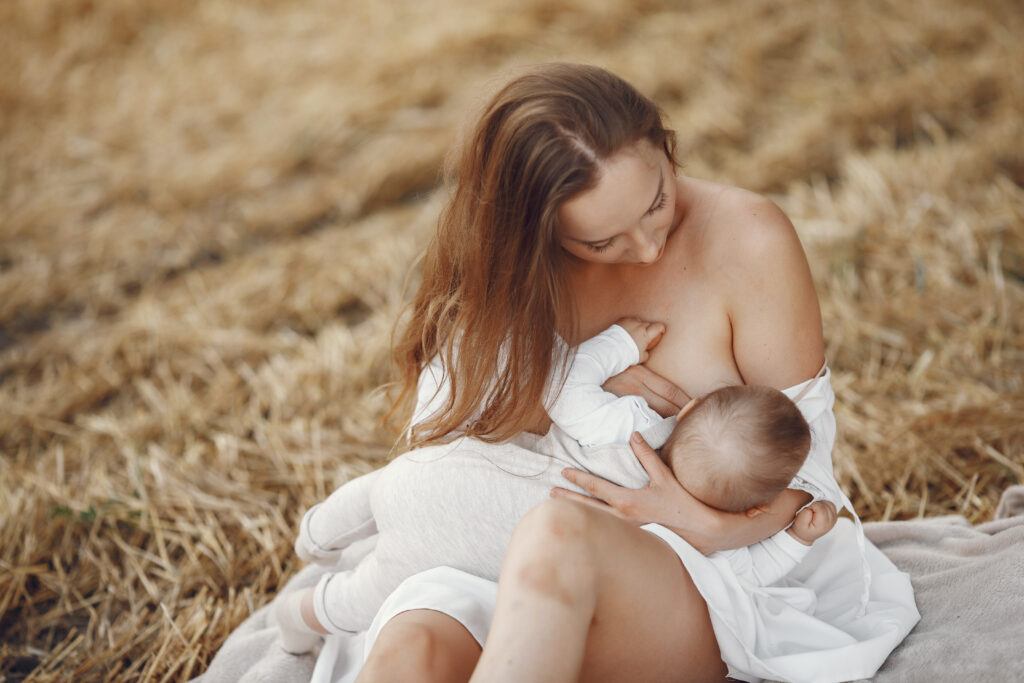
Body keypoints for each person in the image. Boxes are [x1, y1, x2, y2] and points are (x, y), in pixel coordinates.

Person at [350, 62, 918, 683]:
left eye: (658, 203)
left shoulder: (748, 240)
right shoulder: (508, 276)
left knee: (559, 534)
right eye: (600, 243)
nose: (649, 249)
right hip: (493, 561)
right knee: (412, 651)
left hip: (702, 577)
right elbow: (444, 450)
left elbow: (807, 469)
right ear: (532, 230)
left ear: (664, 145)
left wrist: (707, 525)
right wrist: (569, 383)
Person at [273, 318, 836, 654]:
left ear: (688, 407)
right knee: (359, 597)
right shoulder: (678, 541)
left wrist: (620, 342)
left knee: (370, 496)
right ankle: (300, 616)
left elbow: (564, 384)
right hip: (455, 559)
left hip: (437, 476)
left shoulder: (630, 429)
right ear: (756, 504)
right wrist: (796, 539)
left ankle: (313, 540)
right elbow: (745, 576)